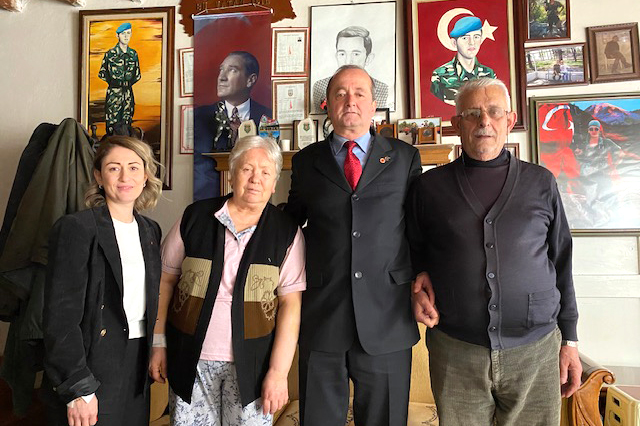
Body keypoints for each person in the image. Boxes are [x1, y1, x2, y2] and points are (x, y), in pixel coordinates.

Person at [407, 78, 582, 426]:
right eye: (472, 113)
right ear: (457, 124)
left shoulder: (541, 182)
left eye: (494, 112)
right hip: (456, 352)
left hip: (536, 351)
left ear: (510, 120)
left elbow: (561, 261)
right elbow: (410, 251)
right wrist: (414, 284)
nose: (484, 121)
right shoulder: (428, 187)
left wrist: (571, 339)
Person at [286, 65, 422, 426]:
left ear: (374, 105)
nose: (350, 101)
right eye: (340, 94)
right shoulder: (305, 162)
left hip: (387, 316)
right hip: (322, 316)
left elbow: (419, 228)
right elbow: (290, 225)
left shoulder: (404, 157)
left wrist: (425, 280)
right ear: (327, 105)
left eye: (360, 93)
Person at [149, 136, 305, 426]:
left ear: (274, 183)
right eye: (247, 169)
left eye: (266, 172)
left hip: (254, 368)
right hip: (190, 361)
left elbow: (291, 304)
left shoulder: (286, 231)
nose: (256, 179)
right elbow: (164, 281)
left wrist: (278, 372)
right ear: (231, 175)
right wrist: (158, 344)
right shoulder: (195, 217)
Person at [43, 136, 164, 426]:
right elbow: (60, 318)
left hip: (138, 363)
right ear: (98, 176)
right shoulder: (76, 228)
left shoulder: (150, 231)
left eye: (134, 168)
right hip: (91, 364)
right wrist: (78, 387)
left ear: (145, 176)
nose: (125, 177)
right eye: (113, 168)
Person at [194, 51, 272, 201]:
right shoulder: (200, 116)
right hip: (211, 198)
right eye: (221, 70)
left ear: (250, 80)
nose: (221, 77)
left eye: (232, 70)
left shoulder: (267, 116)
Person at [312, 26, 389, 112]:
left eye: (356, 54)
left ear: (368, 58)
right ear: (336, 56)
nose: (348, 61)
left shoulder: (382, 89)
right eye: (342, 54)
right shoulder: (320, 86)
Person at [430, 16, 496, 105]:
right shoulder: (440, 76)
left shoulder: (489, 74)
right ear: (454, 43)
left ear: (481, 40)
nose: (472, 43)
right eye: (465, 38)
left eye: (476, 37)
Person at [98, 23, 141, 135]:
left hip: (128, 95)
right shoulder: (110, 54)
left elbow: (137, 75)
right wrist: (115, 83)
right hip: (114, 95)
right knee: (112, 127)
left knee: (127, 126)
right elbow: (102, 73)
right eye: (123, 34)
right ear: (117, 36)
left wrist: (127, 83)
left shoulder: (133, 54)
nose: (126, 36)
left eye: (128, 33)